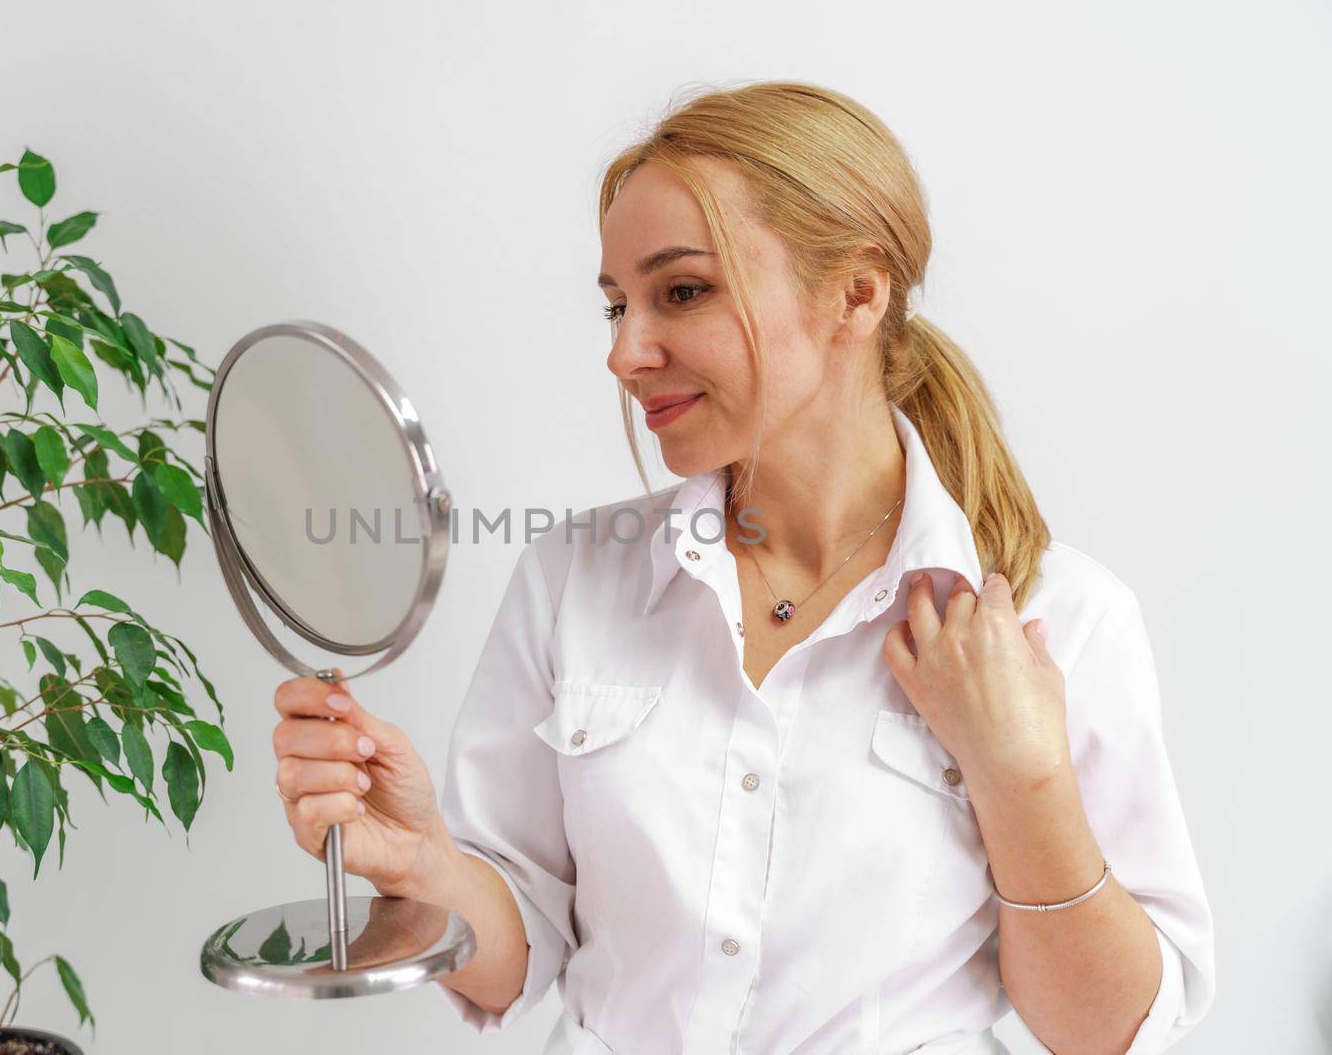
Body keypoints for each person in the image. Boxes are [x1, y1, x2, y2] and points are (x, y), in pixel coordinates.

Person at [269, 80, 1215, 1054]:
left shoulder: (1058, 618)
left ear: (856, 290)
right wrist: (426, 862)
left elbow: (1105, 1031)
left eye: (682, 290)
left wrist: (1020, 777)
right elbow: (522, 952)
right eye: (616, 306)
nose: (627, 353)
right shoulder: (573, 577)